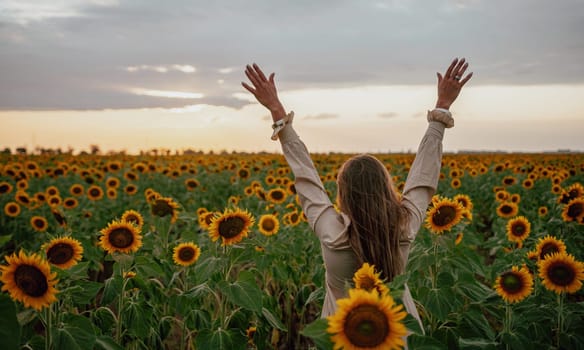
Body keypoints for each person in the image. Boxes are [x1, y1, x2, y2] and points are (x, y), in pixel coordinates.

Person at [242, 59, 472, 332]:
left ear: (343, 192)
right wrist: (442, 108)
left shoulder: (332, 232)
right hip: (396, 332)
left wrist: (277, 112)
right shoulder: (404, 225)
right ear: (386, 188)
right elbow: (423, 180)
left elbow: (307, 180)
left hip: (345, 336)